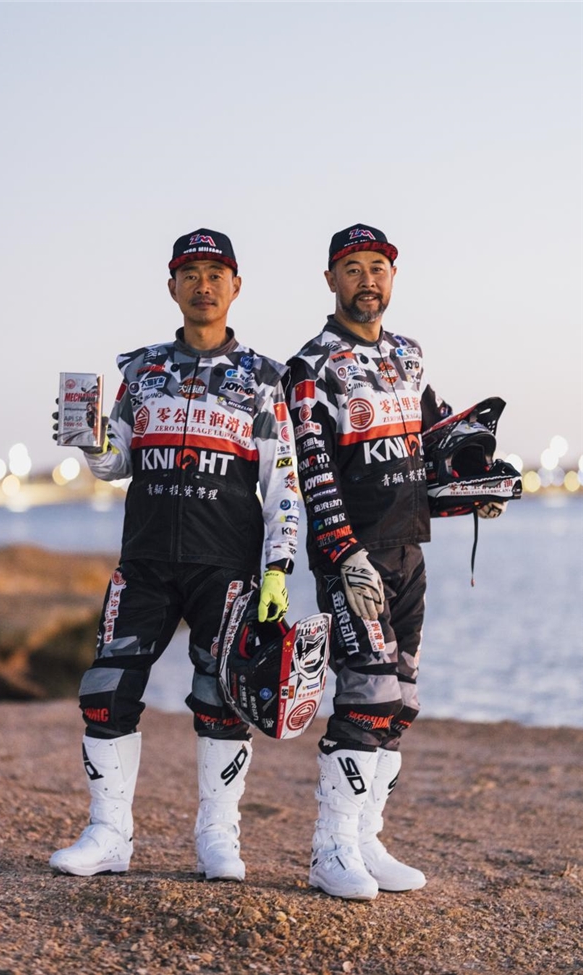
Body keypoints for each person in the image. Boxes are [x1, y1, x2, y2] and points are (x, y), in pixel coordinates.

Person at [50, 228, 298, 882]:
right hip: (146, 562)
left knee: (223, 698)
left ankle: (218, 838)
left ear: (236, 287)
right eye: (190, 274)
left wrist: (279, 568)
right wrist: (90, 440)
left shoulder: (264, 378)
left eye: (216, 274)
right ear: (172, 287)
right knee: (106, 689)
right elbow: (116, 463)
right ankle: (109, 835)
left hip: (228, 566)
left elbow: (283, 482)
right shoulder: (142, 371)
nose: (203, 285)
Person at [287, 223, 505, 901]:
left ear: (393, 277)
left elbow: (433, 445)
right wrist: (342, 551)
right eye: (352, 268)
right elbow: (313, 469)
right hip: (351, 557)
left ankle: (366, 840)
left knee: (402, 700)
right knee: (367, 695)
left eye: (377, 267)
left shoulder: (409, 357)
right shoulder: (311, 366)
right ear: (331, 279)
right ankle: (330, 849)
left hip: (409, 552)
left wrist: (475, 487)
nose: (367, 280)